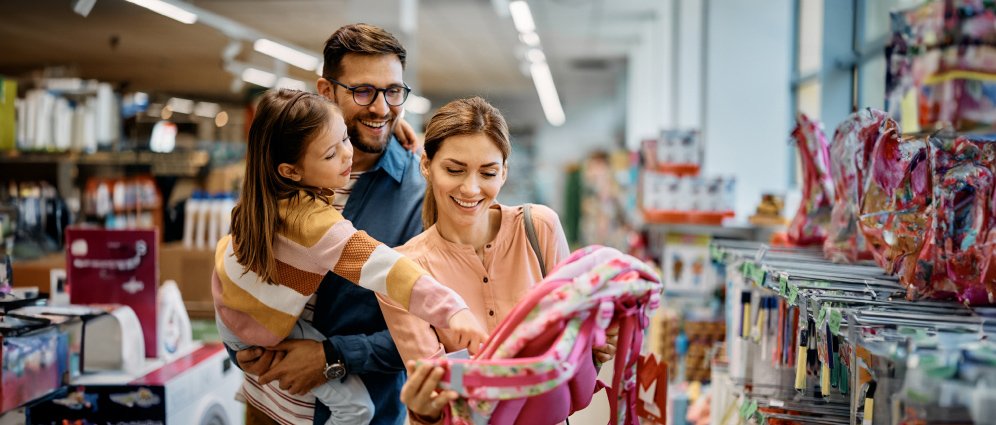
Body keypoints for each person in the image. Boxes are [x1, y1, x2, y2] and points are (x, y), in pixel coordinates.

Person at [215, 89, 488, 424]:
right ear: (290, 170)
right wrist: (453, 309)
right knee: (357, 409)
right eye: (332, 153)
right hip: (261, 342)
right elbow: (388, 269)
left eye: (345, 138)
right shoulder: (315, 224)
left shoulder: (261, 196)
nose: (348, 154)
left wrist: (398, 127)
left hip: (233, 313)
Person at [231, 24, 429, 425]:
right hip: (266, 405)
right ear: (326, 91)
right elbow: (243, 264)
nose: (380, 108)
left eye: (393, 91)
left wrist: (332, 357)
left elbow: (431, 331)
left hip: (356, 411)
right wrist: (238, 343)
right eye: (363, 91)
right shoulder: (284, 170)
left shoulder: (419, 194)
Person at [377, 97, 619, 424]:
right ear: (426, 165)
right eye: (454, 169)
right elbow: (436, 398)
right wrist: (426, 412)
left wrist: (594, 348)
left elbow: (572, 365)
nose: (471, 188)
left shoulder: (539, 229)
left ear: (504, 172)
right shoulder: (405, 273)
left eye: (488, 172)